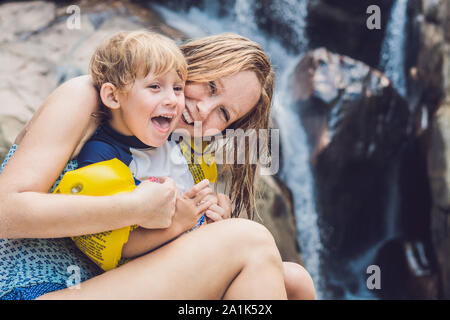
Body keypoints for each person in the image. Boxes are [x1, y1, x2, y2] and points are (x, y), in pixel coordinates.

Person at [0, 32, 315, 300]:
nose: (203, 110)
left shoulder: (175, 149)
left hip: (102, 285)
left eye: (223, 114)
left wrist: (200, 228)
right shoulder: (89, 97)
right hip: (30, 287)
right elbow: (5, 213)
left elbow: (134, 254)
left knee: (295, 280)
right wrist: (135, 208)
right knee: (247, 239)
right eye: (211, 86)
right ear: (189, 62)